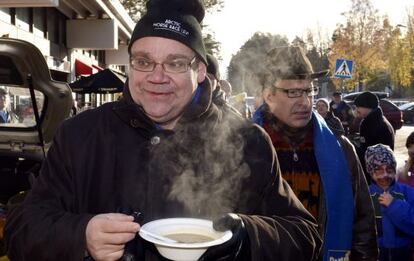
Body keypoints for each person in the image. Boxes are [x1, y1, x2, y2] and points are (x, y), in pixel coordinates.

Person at [4, 1, 321, 260]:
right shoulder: (80, 135)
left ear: (198, 71)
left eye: (175, 63)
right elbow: (21, 230)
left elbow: (305, 235)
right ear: (130, 66)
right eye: (144, 61)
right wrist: (80, 235)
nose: (157, 77)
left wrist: (246, 237)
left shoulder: (247, 140)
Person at [252, 45, 378, 261]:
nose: (305, 101)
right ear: (269, 96)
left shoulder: (341, 148)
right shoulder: (245, 148)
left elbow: (363, 224)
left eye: (309, 91)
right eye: (293, 92)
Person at [365, 144, 414, 261]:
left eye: (389, 169)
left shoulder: (407, 193)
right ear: (370, 171)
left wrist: (394, 205)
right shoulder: (365, 195)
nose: (385, 175)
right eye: (378, 170)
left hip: (403, 253)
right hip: (375, 253)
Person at [354, 91, 395, 182]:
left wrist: (353, 147)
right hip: (383, 171)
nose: (356, 110)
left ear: (367, 106)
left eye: (358, 107)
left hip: (374, 174)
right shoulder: (379, 120)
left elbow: (366, 150)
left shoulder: (370, 123)